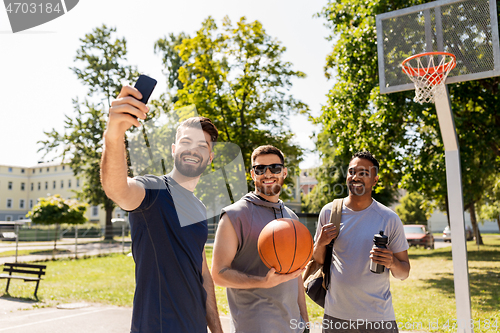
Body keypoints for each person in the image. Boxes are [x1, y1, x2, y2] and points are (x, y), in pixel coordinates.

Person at [101, 85, 223, 333]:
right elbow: (118, 190)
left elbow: (203, 276)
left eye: (202, 145)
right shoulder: (153, 190)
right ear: (174, 149)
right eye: (186, 142)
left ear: (210, 157)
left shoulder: (199, 208)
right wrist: (114, 136)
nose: (193, 149)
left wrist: (217, 330)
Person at [212, 145, 309, 333]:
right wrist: (263, 282)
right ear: (252, 174)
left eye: (275, 168)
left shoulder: (291, 218)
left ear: (285, 172)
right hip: (254, 326)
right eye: (260, 169)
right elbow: (218, 274)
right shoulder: (235, 215)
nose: (268, 173)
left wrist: (304, 320)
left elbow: (296, 276)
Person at [313, 151, 410, 333]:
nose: (355, 177)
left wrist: (391, 262)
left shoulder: (389, 218)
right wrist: (320, 243)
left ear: (375, 180)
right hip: (336, 317)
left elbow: (404, 273)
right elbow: (318, 260)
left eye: (364, 173)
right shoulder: (329, 212)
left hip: (378, 319)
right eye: (351, 171)